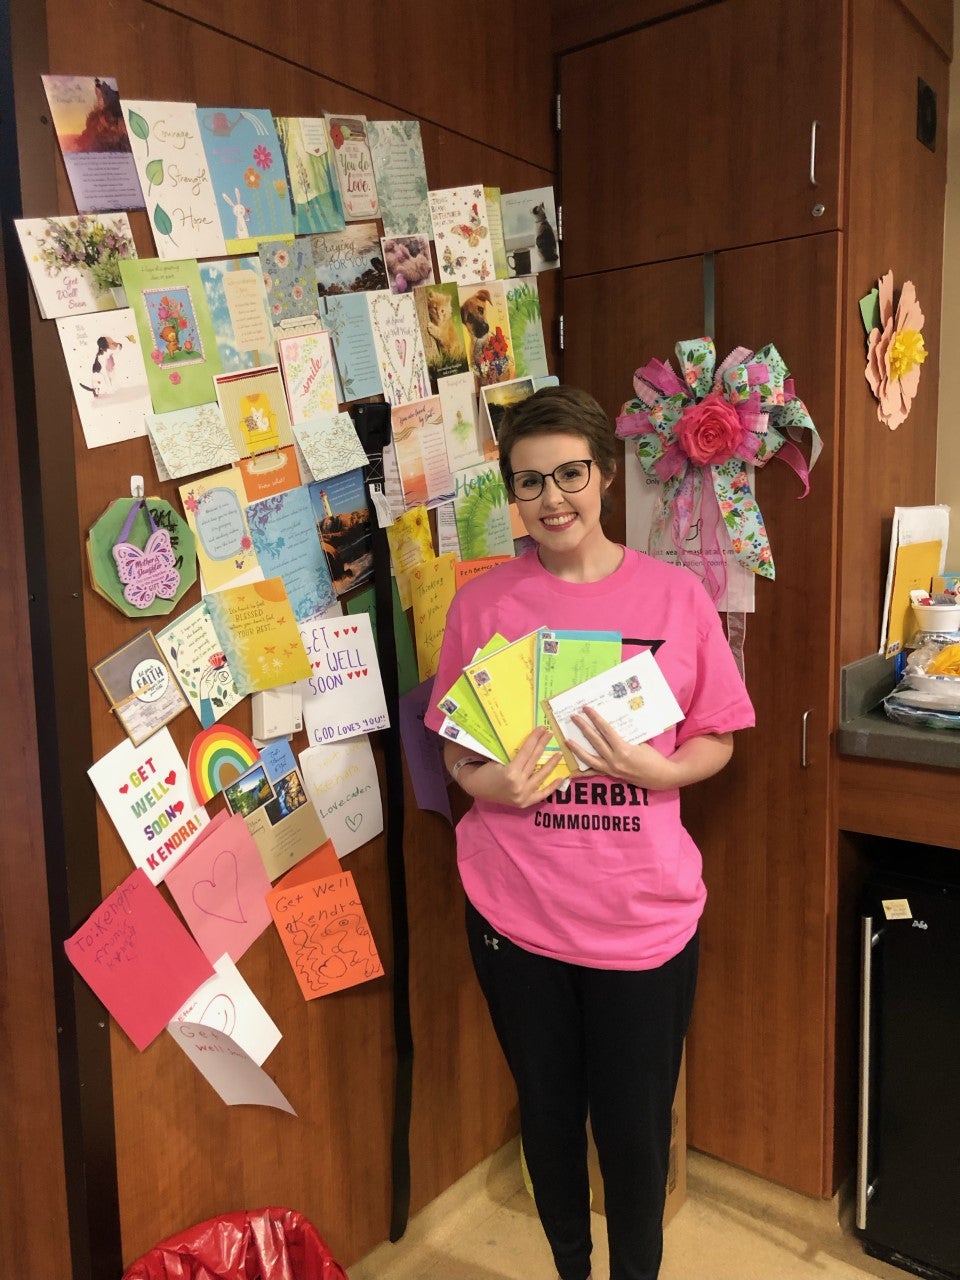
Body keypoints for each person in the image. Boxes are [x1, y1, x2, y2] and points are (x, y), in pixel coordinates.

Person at [423, 385, 755, 1280]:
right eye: (528, 483)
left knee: (637, 1134)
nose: (551, 499)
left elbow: (718, 737)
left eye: (570, 473)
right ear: (511, 494)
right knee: (548, 1118)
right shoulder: (483, 608)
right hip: (516, 915)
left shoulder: (676, 598)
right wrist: (489, 782)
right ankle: (572, 1267)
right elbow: (458, 753)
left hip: (643, 924)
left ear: (606, 473)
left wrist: (666, 771)